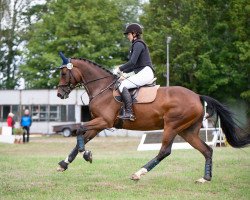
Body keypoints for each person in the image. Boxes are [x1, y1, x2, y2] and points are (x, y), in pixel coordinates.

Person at [114, 23, 154, 121]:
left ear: (134, 33)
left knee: (123, 85)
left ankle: (129, 113)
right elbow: (133, 66)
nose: (127, 36)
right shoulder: (136, 45)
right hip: (142, 72)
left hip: (145, 73)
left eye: (128, 34)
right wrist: (123, 74)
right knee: (122, 82)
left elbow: (132, 62)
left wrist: (120, 69)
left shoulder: (138, 44)